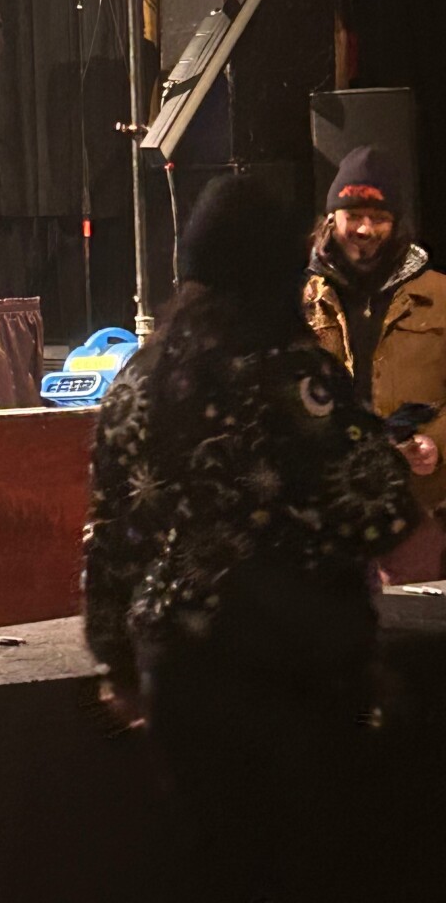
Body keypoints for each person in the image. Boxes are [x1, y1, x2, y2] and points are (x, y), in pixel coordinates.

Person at [84, 173, 415, 903]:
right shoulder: (300, 379)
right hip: (302, 670)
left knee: (215, 868)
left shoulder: (139, 380)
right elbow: (383, 509)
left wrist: (117, 661)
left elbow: (110, 536)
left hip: (181, 671)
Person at [305, 146, 446, 537]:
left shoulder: (441, 296)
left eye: (379, 218)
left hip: (419, 513)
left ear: (397, 224)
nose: (365, 230)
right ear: (331, 218)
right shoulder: (300, 301)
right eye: (353, 216)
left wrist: (437, 442)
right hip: (326, 517)